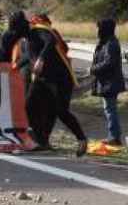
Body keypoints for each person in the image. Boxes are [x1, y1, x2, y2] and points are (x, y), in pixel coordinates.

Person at [15, 14, 88, 154]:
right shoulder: (26, 39)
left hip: (61, 79)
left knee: (60, 111)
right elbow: (27, 57)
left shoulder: (39, 30)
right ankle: (41, 140)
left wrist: (41, 59)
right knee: (28, 106)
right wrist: (13, 68)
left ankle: (82, 139)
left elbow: (51, 40)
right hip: (43, 79)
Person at [91, 19, 125, 147]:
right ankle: (113, 136)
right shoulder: (107, 41)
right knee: (109, 109)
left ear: (104, 29)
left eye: (98, 28)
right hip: (108, 82)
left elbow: (109, 63)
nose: (97, 31)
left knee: (110, 110)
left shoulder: (111, 43)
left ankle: (114, 138)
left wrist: (94, 69)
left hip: (111, 82)